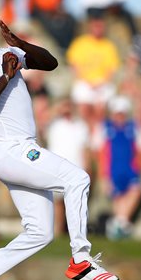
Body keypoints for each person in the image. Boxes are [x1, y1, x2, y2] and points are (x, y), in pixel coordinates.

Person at [0, 13, 119, 280]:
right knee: (77, 179)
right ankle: (81, 259)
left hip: (24, 149)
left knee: (40, 233)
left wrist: (21, 44)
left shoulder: (8, 53)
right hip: (8, 150)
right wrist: (5, 76)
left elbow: (50, 63)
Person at [91, 96, 141, 240]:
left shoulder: (134, 127)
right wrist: (103, 175)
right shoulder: (104, 127)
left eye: (122, 113)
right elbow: (98, 151)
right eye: (117, 113)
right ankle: (120, 227)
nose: (119, 116)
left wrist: (138, 165)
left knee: (135, 191)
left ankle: (119, 224)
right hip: (112, 169)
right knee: (118, 198)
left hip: (130, 169)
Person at [66, 15, 120, 134]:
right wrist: (86, 81)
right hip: (84, 81)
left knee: (100, 108)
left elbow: (111, 69)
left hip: (102, 82)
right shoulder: (80, 43)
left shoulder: (108, 45)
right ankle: (87, 133)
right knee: (83, 106)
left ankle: (98, 135)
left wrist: (101, 82)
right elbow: (74, 65)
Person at [46, 98, 91, 235]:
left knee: (75, 204)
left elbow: (85, 149)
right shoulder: (54, 125)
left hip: (76, 168)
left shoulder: (81, 126)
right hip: (56, 169)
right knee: (58, 202)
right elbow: (42, 121)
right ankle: (59, 230)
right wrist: (57, 109)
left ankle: (77, 233)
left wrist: (87, 168)